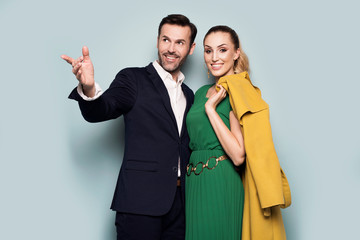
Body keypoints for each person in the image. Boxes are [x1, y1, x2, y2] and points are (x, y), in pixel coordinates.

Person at [61, 14, 197, 240]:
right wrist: (89, 88)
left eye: (179, 42)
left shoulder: (189, 95)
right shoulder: (133, 79)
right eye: (166, 40)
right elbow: (103, 108)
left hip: (180, 205)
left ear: (190, 48)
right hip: (139, 203)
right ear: (157, 41)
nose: (171, 48)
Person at [185, 26, 291, 240]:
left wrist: (210, 110)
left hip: (220, 181)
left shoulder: (239, 90)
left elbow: (238, 155)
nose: (214, 57)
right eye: (208, 50)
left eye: (222, 50)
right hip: (194, 182)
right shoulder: (200, 93)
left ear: (236, 53)